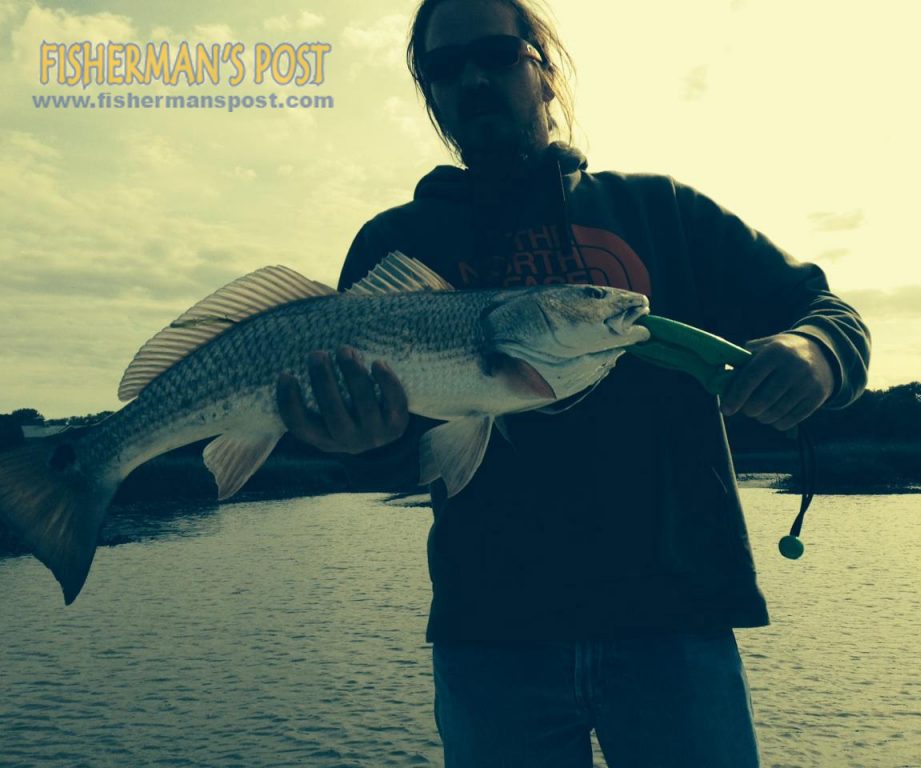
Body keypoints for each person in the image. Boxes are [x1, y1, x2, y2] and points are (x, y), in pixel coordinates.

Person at [276, 0, 871, 765]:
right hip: (491, 634)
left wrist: (811, 351)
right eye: (445, 68)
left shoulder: (662, 212)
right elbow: (402, 454)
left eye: (495, 54)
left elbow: (830, 314)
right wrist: (351, 442)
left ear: (545, 68)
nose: (473, 79)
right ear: (429, 93)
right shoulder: (397, 243)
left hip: (675, 619)